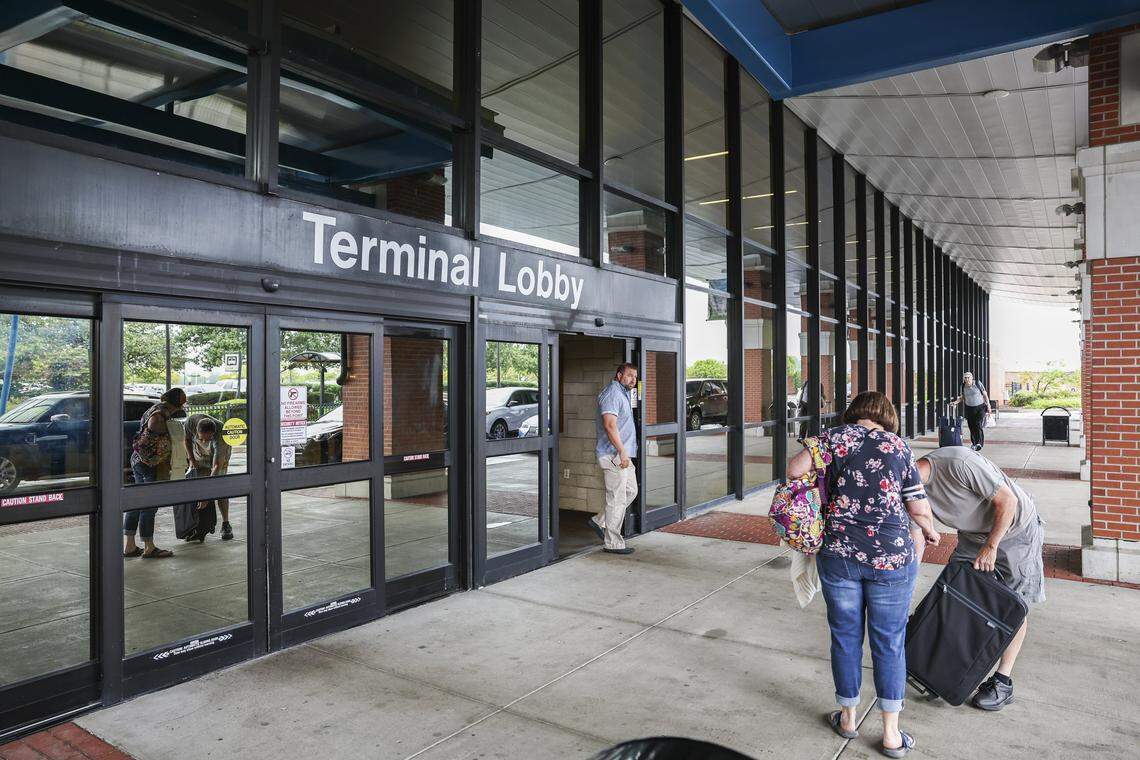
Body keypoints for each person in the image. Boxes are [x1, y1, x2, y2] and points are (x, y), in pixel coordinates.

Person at [788, 391, 939, 758]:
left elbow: (794, 470)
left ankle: (848, 718)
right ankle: (891, 734)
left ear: (853, 414)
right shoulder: (898, 446)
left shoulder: (834, 437)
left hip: (839, 553)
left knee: (845, 636)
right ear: (887, 417)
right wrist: (931, 531)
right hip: (891, 557)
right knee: (889, 641)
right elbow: (916, 506)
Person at [913, 447, 1046, 711]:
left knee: (1010, 606)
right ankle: (943, 671)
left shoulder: (958, 462)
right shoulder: (912, 492)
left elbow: (1008, 501)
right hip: (973, 537)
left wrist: (991, 546)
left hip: (1015, 530)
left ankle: (1002, 681)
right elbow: (916, 534)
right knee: (950, 598)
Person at [124, 387, 187, 559]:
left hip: (138, 460)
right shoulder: (160, 413)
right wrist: (167, 432)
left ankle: (130, 546)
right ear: (179, 403)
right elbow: (153, 428)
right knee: (149, 505)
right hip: (150, 463)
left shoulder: (154, 408)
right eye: (184, 400)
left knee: (137, 501)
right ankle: (149, 547)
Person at [589, 362, 639, 555]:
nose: (633, 380)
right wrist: (622, 451)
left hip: (622, 454)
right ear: (619, 376)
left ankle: (599, 520)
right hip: (614, 455)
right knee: (616, 499)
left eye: (635, 376)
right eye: (629, 376)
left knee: (631, 491)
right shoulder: (612, 394)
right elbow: (610, 426)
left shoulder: (623, 393)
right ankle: (613, 543)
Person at [183, 414, 233, 541]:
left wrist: (207, 494)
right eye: (202, 438)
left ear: (213, 434)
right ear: (197, 431)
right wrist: (191, 459)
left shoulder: (221, 435)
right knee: (196, 487)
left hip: (219, 456)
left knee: (220, 487)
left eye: (208, 439)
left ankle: (226, 524)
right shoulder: (190, 422)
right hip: (198, 453)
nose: (205, 441)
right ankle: (198, 526)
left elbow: (216, 466)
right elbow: (187, 440)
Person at [950, 371, 990, 450]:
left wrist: (988, 405)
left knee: (978, 424)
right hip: (969, 408)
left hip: (980, 407)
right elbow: (962, 397)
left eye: (968, 377)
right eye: (965, 378)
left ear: (972, 378)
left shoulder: (978, 384)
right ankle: (974, 443)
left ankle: (979, 443)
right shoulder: (963, 386)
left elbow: (985, 395)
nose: (967, 379)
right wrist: (955, 402)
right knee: (971, 426)